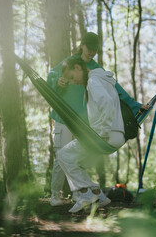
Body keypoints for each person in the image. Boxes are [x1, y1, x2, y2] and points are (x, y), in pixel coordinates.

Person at [47, 32, 144, 206]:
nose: (91, 52)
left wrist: (136, 106)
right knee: (61, 154)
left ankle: (79, 195)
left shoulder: (95, 69)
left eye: (95, 49)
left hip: (82, 121)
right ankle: (55, 194)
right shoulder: (69, 63)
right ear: (82, 45)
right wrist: (58, 82)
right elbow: (52, 76)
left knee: (74, 157)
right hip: (64, 116)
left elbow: (116, 90)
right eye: (89, 48)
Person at [56, 58, 127, 213]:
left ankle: (84, 194)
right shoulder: (101, 79)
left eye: (72, 77)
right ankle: (98, 195)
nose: (72, 82)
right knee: (77, 162)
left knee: (63, 155)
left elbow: (107, 104)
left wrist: (102, 132)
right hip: (116, 135)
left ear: (77, 68)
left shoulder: (93, 81)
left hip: (105, 135)